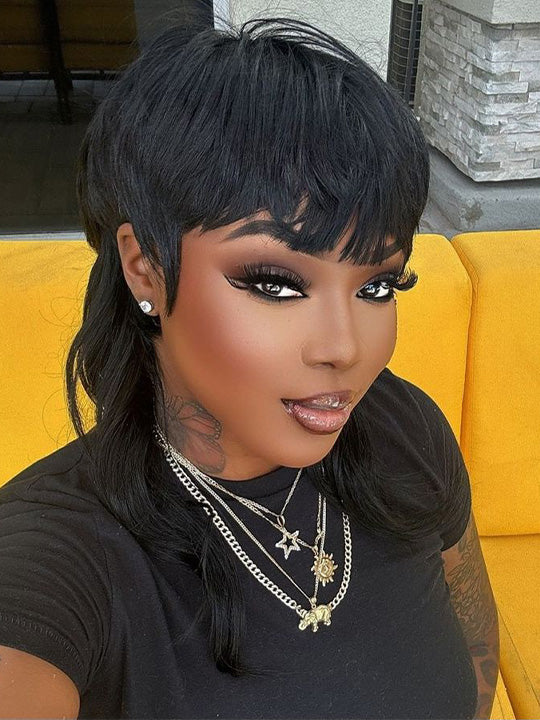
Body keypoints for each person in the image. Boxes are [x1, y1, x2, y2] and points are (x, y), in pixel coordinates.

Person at [0, 15, 499, 720]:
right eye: (275, 283)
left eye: (378, 286)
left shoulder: (401, 426)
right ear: (145, 267)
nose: (345, 348)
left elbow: (475, 659)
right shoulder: (53, 562)